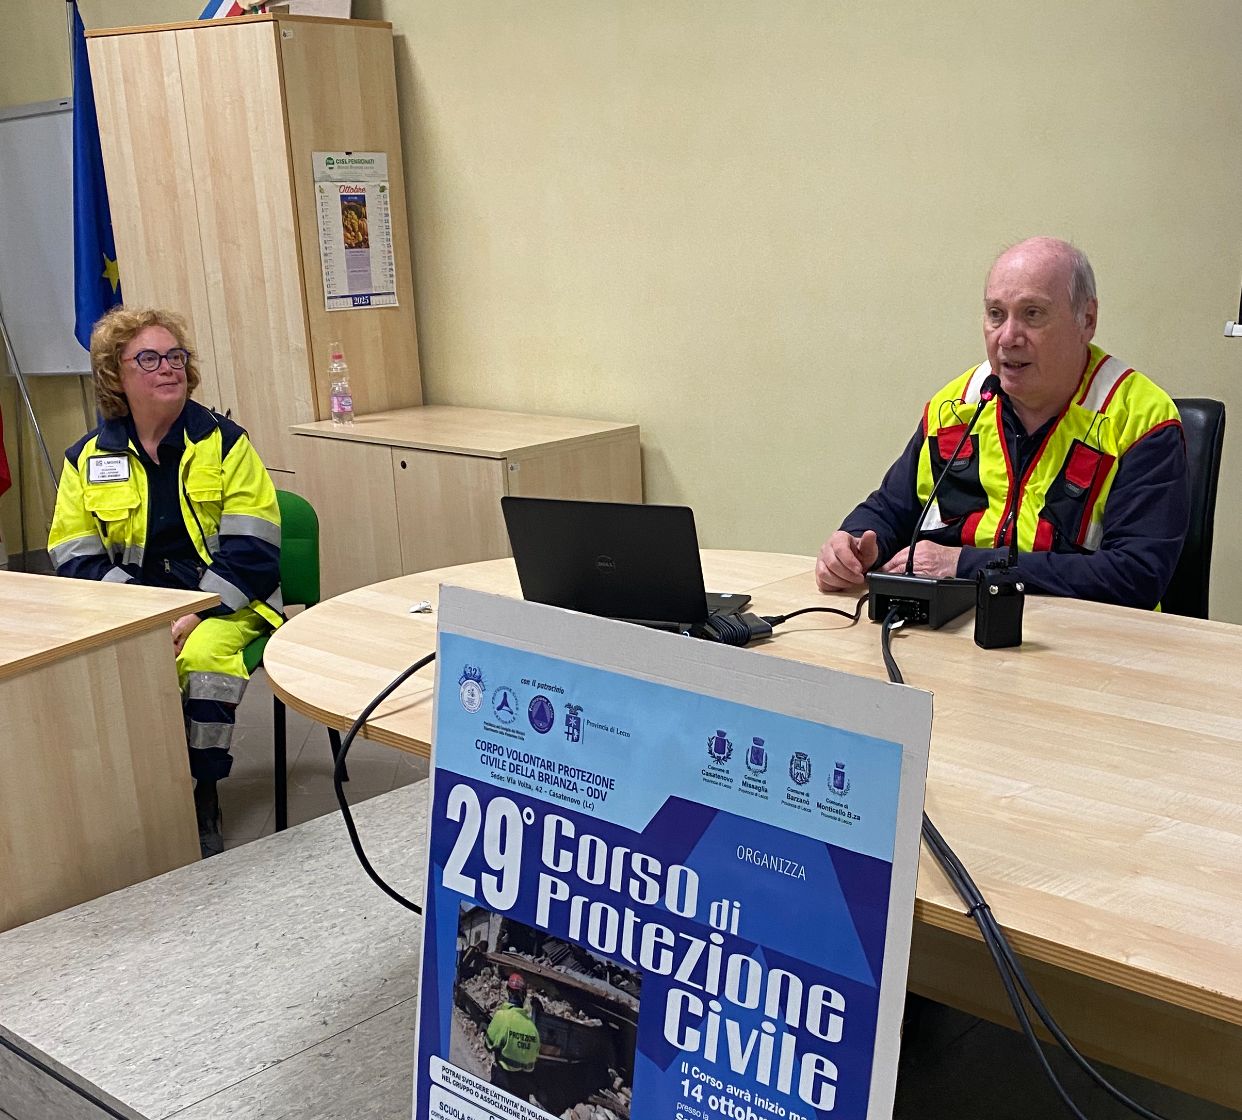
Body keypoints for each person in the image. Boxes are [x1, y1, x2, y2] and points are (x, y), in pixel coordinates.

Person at [816, 237, 1189, 610]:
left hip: (1090, 635)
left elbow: (1136, 576)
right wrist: (853, 545)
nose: (1008, 337)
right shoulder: (956, 406)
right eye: (996, 314)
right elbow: (891, 508)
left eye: (1032, 314)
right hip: (960, 626)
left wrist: (966, 565)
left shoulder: (1141, 419)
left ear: (1086, 320)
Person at [48, 306, 283, 857]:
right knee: (103, 664)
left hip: (228, 602)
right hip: (134, 607)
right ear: (115, 374)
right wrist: (146, 615)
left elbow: (255, 551)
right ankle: (140, 789)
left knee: (201, 661)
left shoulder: (224, 443)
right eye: (149, 359)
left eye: (175, 356)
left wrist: (192, 612)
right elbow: (73, 553)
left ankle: (201, 789)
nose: (169, 367)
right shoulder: (87, 458)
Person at [484, 972, 541, 1100]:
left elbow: (488, 1044)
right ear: (524, 996)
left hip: (502, 1081)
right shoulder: (533, 1029)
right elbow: (533, 1060)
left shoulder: (502, 1016)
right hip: (523, 1088)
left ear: (508, 991)